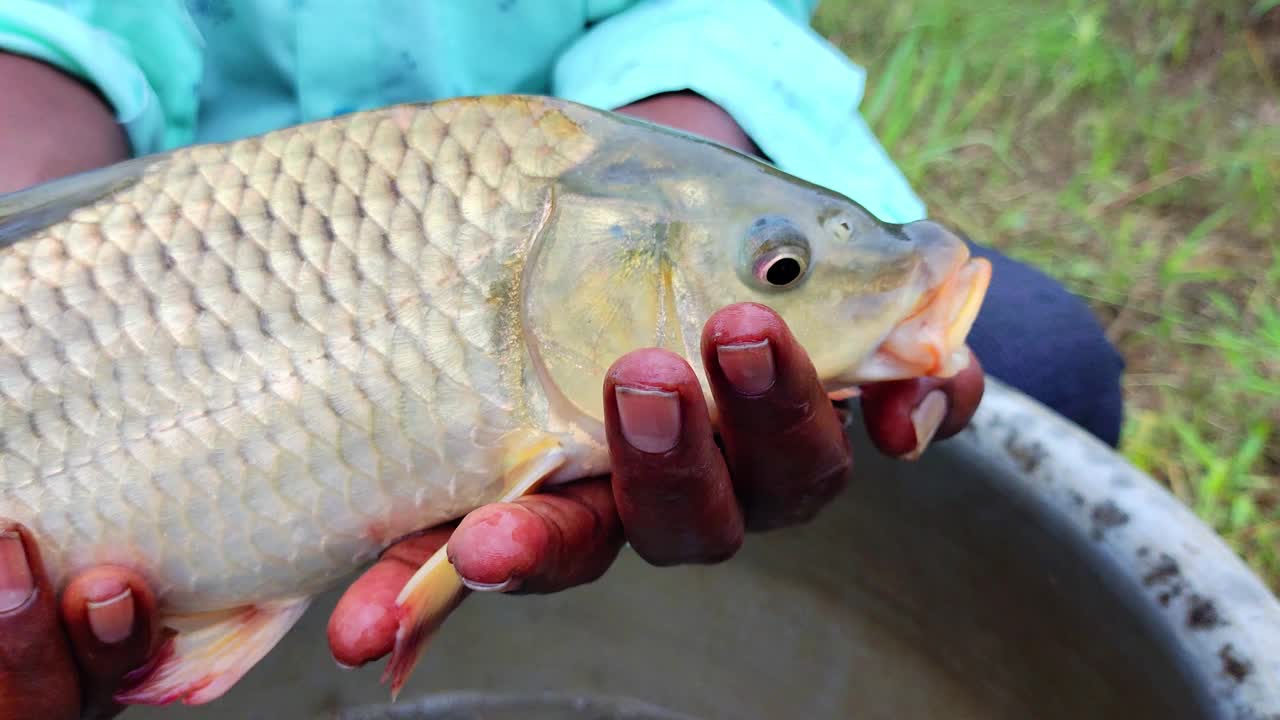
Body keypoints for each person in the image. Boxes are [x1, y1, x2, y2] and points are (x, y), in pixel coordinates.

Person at [0, 1, 1125, 717]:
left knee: (1036, 357)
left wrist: (692, 135)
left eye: (774, 269)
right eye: (781, 271)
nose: (786, 283)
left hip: (606, 138)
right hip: (150, 224)